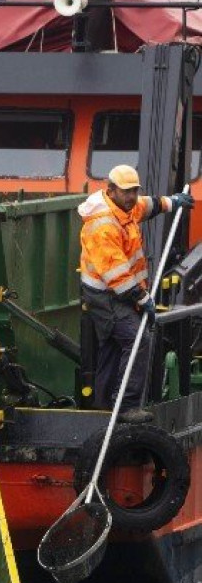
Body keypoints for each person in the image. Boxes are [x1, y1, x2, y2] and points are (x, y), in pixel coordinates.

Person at [78, 165, 193, 422]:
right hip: (106, 294)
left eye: (134, 190)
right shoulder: (103, 225)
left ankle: (103, 403)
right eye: (126, 191)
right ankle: (127, 405)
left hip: (116, 290)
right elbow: (116, 274)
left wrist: (172, 202)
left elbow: (148, 205)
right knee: (138, 339)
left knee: (112, 343)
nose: (132, 196)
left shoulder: (125, 207)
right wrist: (143, 299)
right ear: (111, 190)